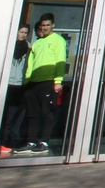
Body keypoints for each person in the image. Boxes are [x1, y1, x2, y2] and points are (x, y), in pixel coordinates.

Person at [17, 13, 67, 156]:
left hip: (48, 82)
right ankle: (30, 142)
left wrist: (58, 81)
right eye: (42, 25)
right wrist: (27, 80)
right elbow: (30, 63)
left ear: (53, 25)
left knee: (47, 112)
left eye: (47, 25)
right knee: (32, 114)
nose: (44, 28)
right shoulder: (37, 43)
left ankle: (44, 142)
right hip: (33, 83)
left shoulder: (58, 40)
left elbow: (60, 61)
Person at [0, 23, 31, 154]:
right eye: (21, 32)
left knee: (15, 115)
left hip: (19, 84)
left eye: (25, 33)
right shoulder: (9, 44)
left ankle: (10, 139)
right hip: (8, 84)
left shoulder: (28, 47)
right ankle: (3, 140)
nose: (23, 35)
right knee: (6, 114)